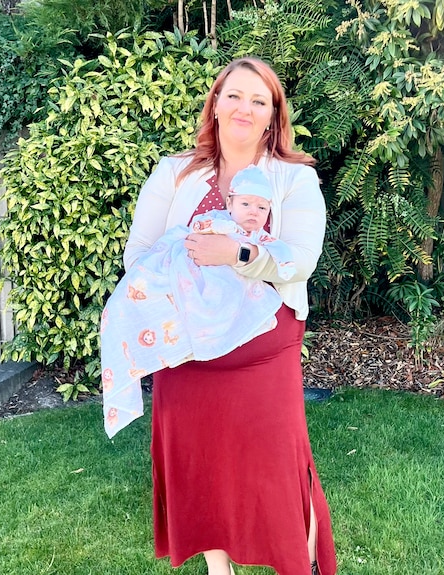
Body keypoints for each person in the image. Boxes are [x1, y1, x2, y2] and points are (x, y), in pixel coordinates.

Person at [122, 57, 337, 575]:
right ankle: (220, 572)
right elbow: (139, 253)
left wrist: (234, 256)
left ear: (273, 117)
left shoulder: (293, 180)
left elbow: (299, 262)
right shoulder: (175, 172)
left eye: (258, 100)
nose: (245, 107)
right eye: (234, 95)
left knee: (281, 467)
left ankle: (300, 564)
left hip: (263, 352)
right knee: (202, 469)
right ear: (215, 105)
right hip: (188, 350)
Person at [100, 166, 296, 438]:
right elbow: (191, 235)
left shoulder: (258, 238)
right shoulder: (216, 220)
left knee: (224, 297)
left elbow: (283, 257)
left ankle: (209, 330)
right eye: (246, 204)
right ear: (230, 202)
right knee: (132, 297)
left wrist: (255, 255)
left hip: (223, 284)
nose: (253, 212)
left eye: (262, 208)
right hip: (188, 268)